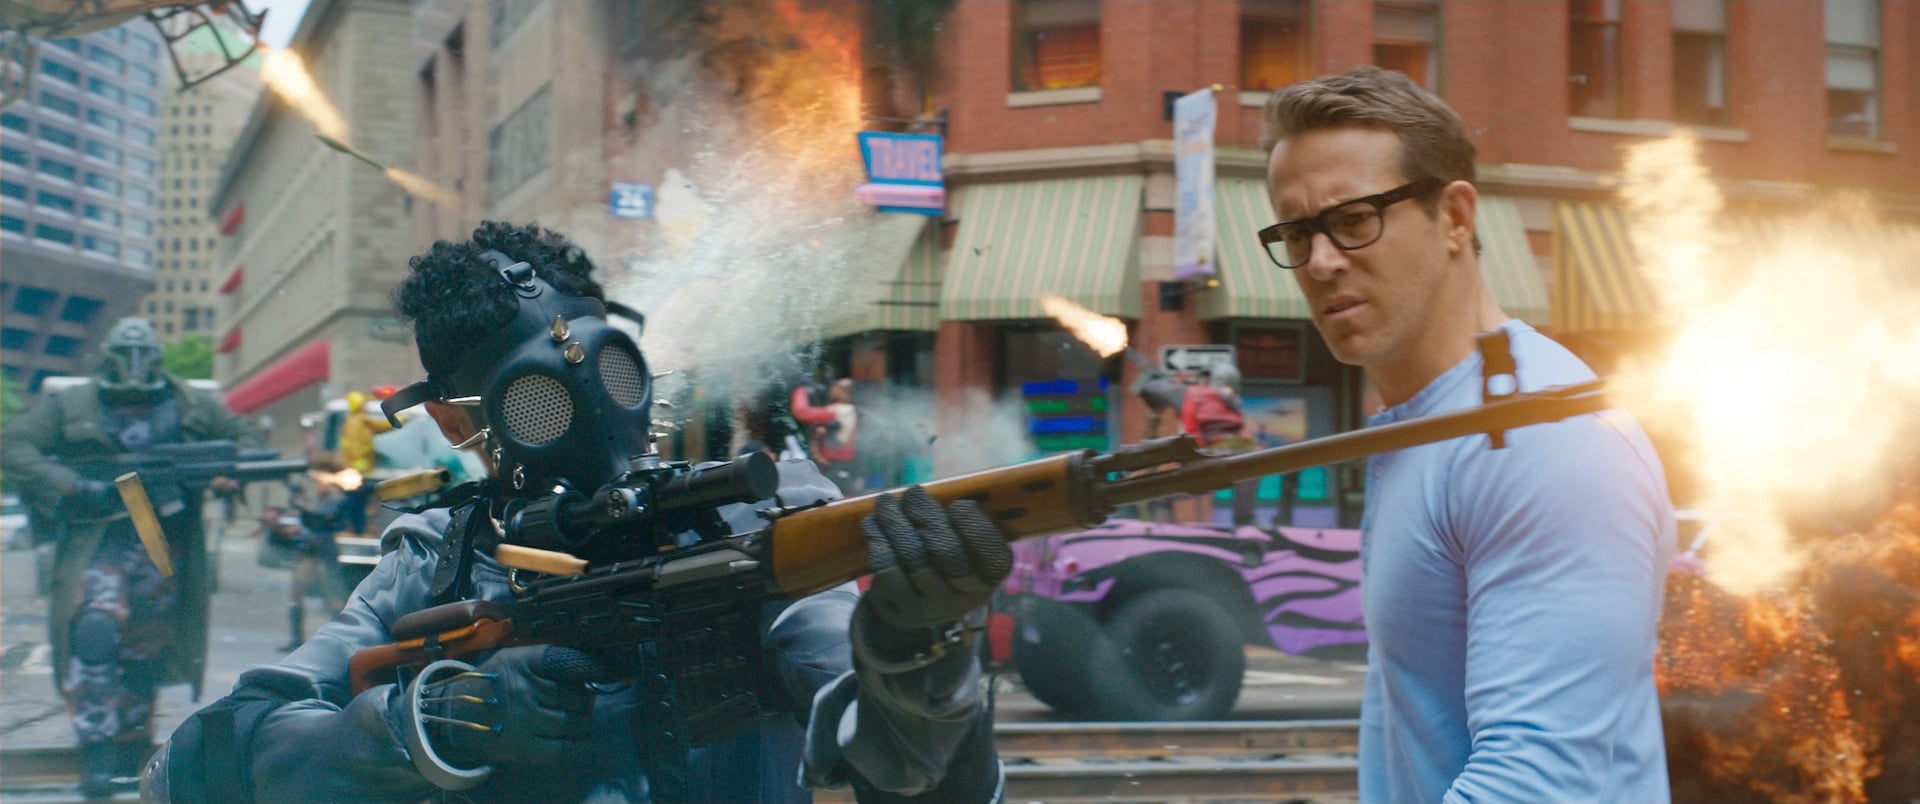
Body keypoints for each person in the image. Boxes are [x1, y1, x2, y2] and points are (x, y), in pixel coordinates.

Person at [140, 222, 1006, 804]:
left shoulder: (747, 533)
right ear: (453, 421)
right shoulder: (440, 561)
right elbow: (193, 768)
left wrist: (915, 657)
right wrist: (432, 721)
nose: (596, 413)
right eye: (541, 403)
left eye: (612, 374)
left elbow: (915, 775)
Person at [1259, 66, 1675, 803]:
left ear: (1454, 217)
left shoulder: (1541, 438)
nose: (1320, 262)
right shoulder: (1438, 427)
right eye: (1297, 233)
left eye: (1354, 220)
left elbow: (1537, 784)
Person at [0, 318, 264, 799]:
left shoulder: (188, 403)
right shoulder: (74, 404)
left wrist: (229, 472)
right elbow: (15, 444)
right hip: (99, 538)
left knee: (146, 646)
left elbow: (246, 439)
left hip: (162, 541)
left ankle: (130, 750)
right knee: (94, 631)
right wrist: (72, 486)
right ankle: (96, 751)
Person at [271, 453, 351, 652]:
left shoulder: (336, 498)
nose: (316, 482)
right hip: (309, 551)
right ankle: (296, 638)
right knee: (296, 594)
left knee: (333, 598)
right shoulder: (320, 497)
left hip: (325, 552)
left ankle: (339, 641)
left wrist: (302, 506)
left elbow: (321, 518)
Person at [335, 389, 393, 534]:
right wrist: (400, 419)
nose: (366, 406)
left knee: (356, 504)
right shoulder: (361, 420)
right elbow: (381, 426)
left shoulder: (350, 422)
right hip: (359, 474)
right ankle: (358, 530)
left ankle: (356, 529)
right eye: (364, 404)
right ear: (359, 405)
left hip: (355, 474)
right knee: (358, 505)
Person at [792, 376, 860, 491]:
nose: (832, 389)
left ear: (845, 393)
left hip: (837, 464)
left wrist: (801, 390)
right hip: (843, 464)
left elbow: (802, 412)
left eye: (837, 387)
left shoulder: (841, 409)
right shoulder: (850, 409)